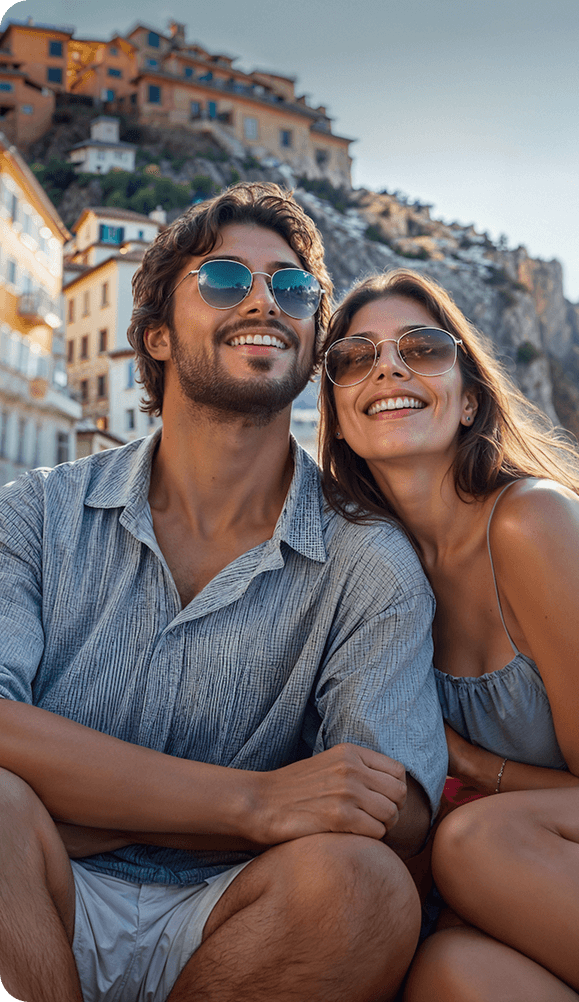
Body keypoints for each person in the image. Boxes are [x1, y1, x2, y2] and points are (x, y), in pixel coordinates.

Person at [0, 188, 448, 1002]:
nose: (260, 301)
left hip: (239, 915)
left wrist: (92, 804)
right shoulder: (35, 513)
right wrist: (253, 802)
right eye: (223, 280)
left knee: (364, 888)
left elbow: (387, 807)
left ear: (312, 341)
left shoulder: (367, 560)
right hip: (38, 886)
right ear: (157, 335)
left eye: (291, 289)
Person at [318, 268, 579, 1002]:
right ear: (338, 411)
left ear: (467, 399)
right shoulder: (373, 577)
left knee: (478, 842)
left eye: (422, 348)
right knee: (449, 975)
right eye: (354, 357)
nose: (388, 365)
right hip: (545, 870)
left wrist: (465, 768)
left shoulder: (532, 524)